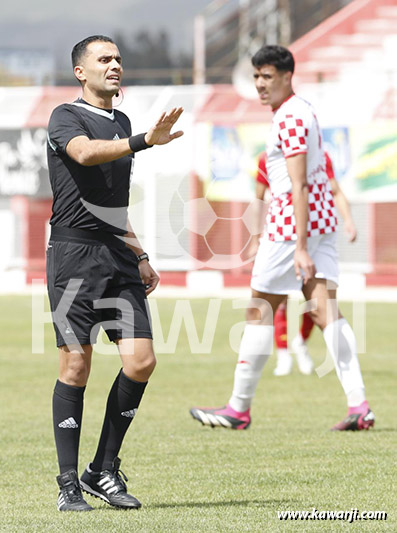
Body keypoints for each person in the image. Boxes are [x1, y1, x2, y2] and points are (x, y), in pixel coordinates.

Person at [190, 45, 374, 432]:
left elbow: (297, 184)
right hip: (318, 225)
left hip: (292, 229)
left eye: (267, 77)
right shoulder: (303, 110)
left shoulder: (290, 118)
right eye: (256, 77)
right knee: (326, 313)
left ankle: (238, 408)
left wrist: (301, 246)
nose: (259, 85)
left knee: (259, 309)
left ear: (288, 76)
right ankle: (359, 404)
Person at [46, 35, 183, 512]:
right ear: (81, 71)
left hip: (116, 255)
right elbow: (84, 154)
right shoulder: (65, 117)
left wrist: (139, 253)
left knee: (141, 361)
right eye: (104, 59)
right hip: (74, 256)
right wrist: (145, 140)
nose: (115, 65)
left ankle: (102, 469)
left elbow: (110, 204)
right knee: (76, 366)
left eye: (119, 59)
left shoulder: (119, 121)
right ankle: (67, 483)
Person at [253, 150, 358, 376]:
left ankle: (300, 342)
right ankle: (282, 355)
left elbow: (336, 190)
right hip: (280, 236)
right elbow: (259, 199)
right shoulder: (267, 158)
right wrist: (254, 238)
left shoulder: (320, 157)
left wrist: (348, 220)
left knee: (318, 303)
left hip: (313, 239)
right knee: (278, 301)